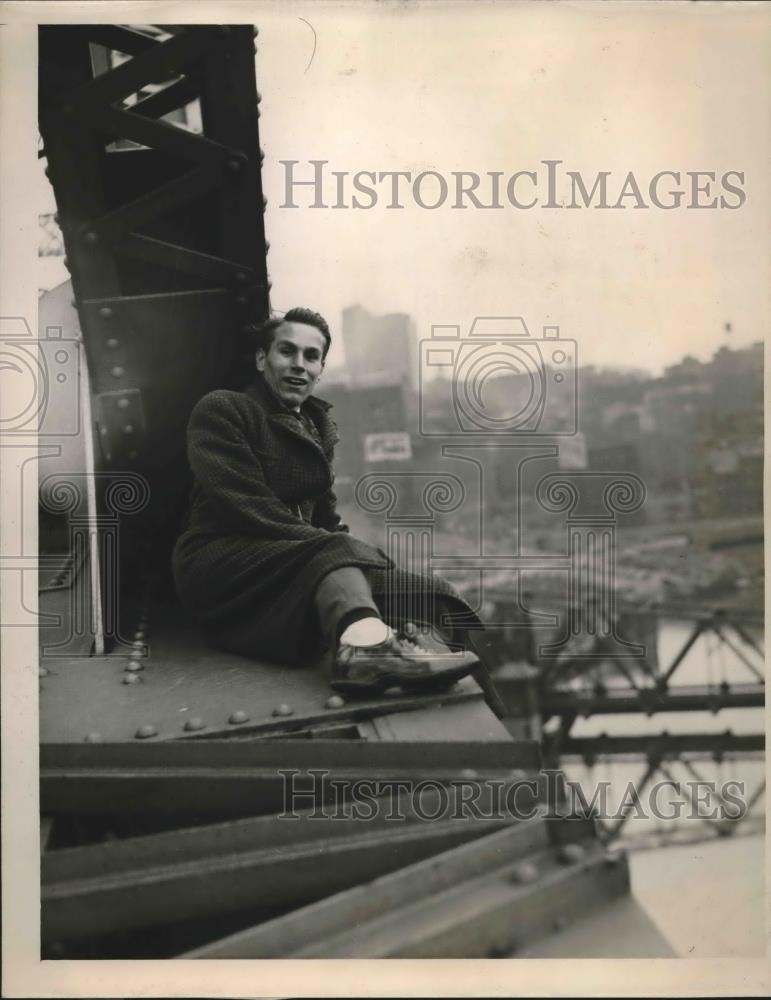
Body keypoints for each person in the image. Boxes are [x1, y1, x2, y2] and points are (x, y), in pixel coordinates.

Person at [172, 307, 483, 695]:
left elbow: (328, 522)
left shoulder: (316, 427)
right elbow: (246, 506)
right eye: (286, 351)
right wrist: (349, 552)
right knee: (338, 551)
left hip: (296, 564)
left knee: (433, 597)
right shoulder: (226, 410)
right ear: (261, 359)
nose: (299, 365)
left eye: (311, 356)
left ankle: (431, 665)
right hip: (225, 567)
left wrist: (360, 560)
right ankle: (365, 651)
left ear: (320, 368)